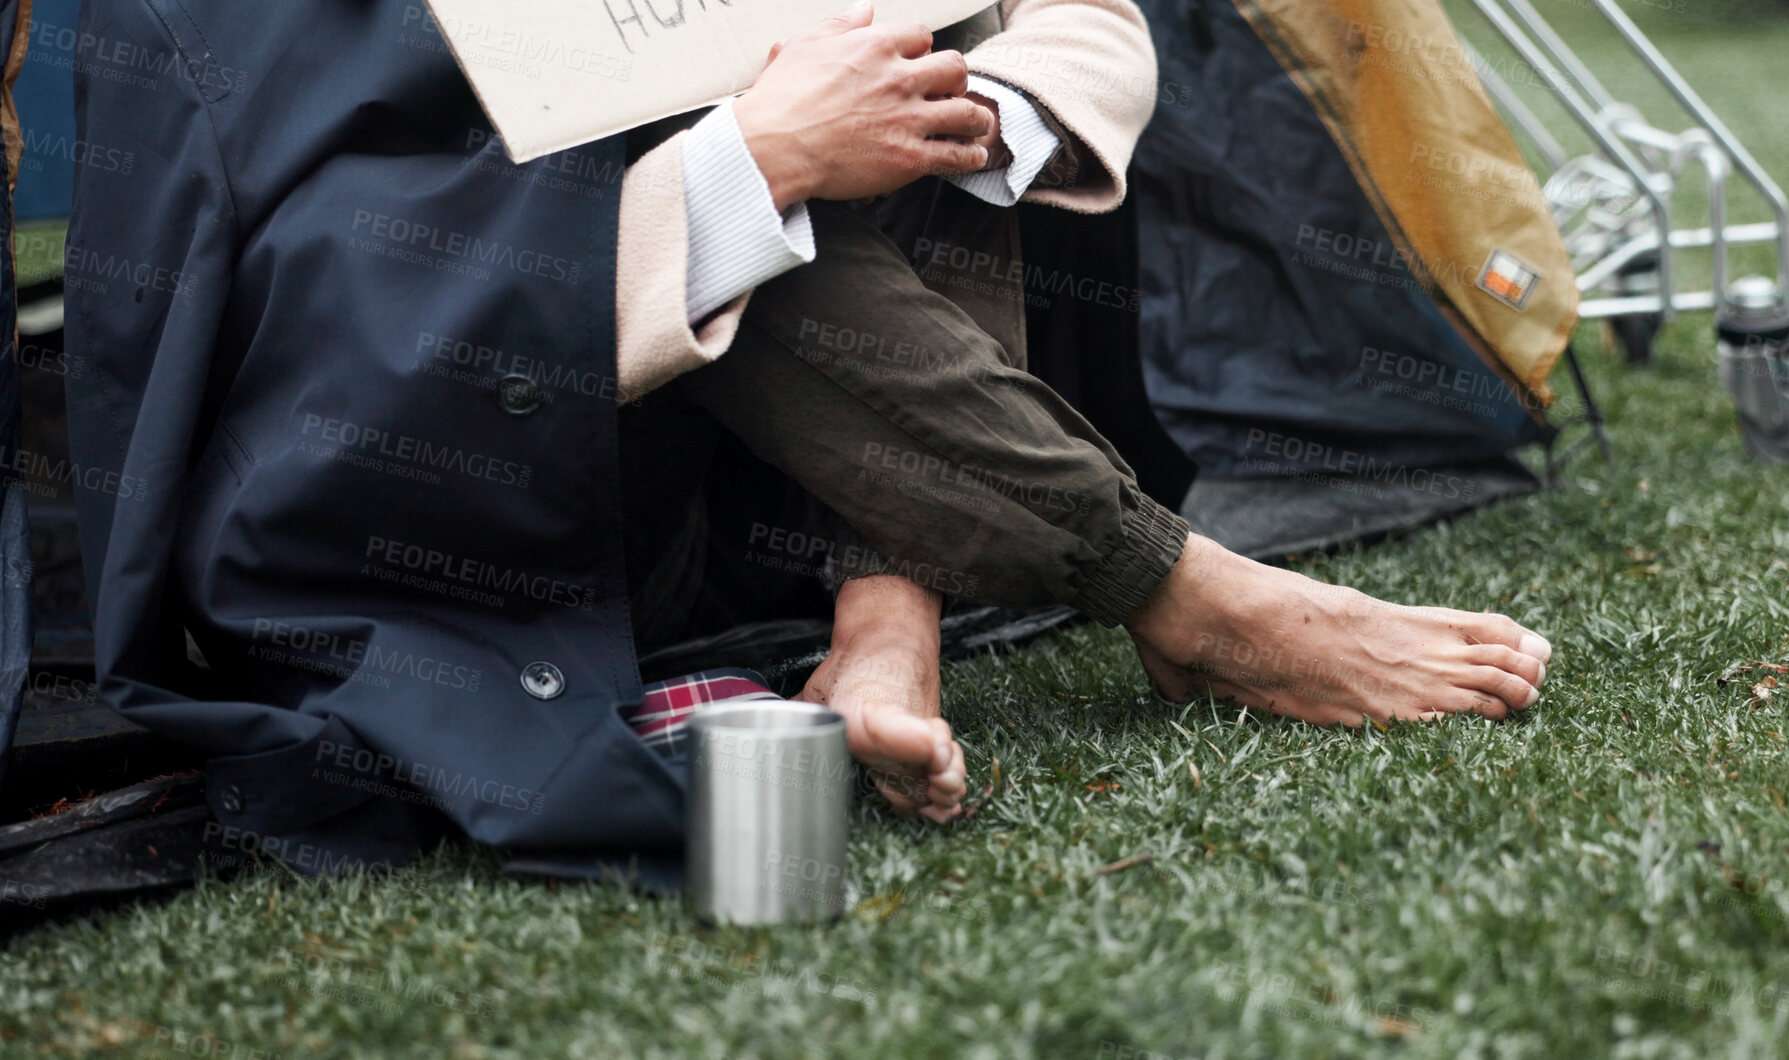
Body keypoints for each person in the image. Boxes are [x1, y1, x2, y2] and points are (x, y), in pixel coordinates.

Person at [64, 0, 1549, 877]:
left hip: (774, 488)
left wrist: (955, 103)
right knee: (750, 126)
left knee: (903, 65)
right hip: (511, 510)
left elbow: (1081, 18)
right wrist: (753, 159)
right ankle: (1182, 593)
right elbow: (327, 297)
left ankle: (884, 607)